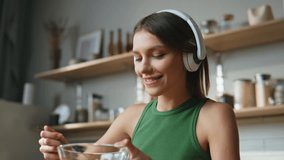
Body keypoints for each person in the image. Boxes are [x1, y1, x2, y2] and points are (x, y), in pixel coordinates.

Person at [39, 9, 240, 160]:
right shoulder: (132, 116)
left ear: (189, 57)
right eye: (137, 58)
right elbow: (86, 158)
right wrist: (61, 151)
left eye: (158, 55)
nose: (143, 68)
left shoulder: (215, 116)